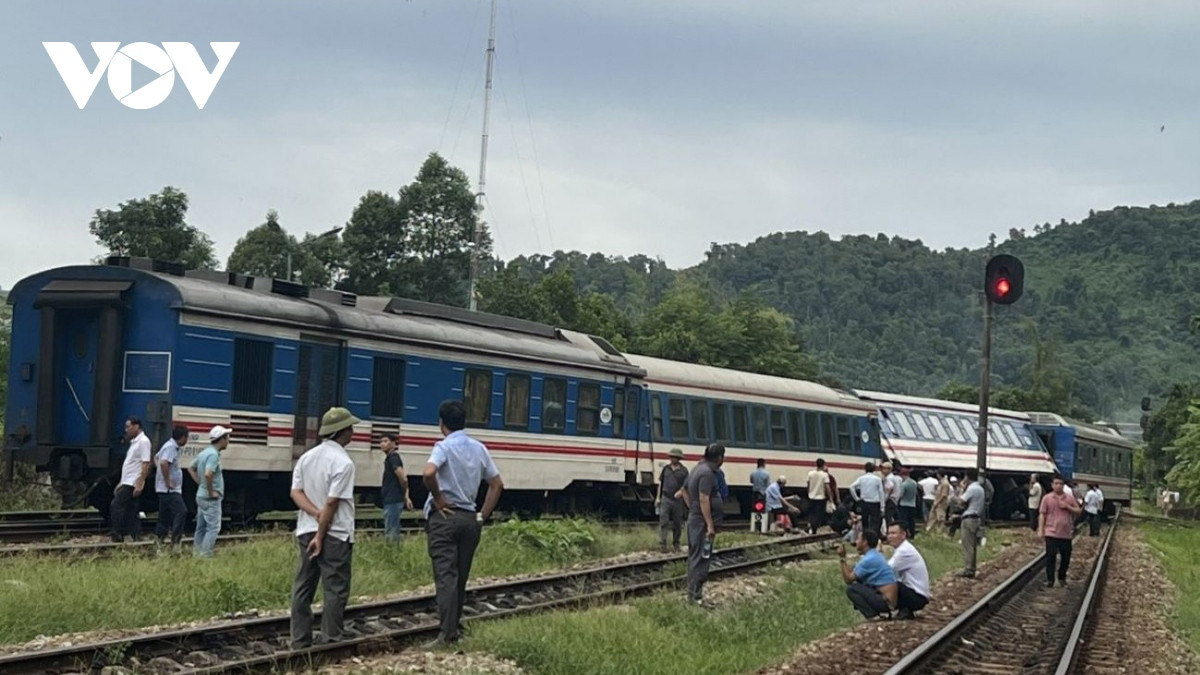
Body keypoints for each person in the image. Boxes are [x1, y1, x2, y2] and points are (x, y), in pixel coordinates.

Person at [422, 400, 505, 646]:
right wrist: (482, 515)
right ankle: (454, 627)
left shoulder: (443, 447)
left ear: (441, 423)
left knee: (446, 576)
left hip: (446, 518)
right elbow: (497, 484)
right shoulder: (479, 448)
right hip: (470, 519)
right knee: (460, 577)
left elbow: (428, 473)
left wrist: (438, 498)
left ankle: (446, 634)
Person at [289, 407, 359, 648]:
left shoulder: (307, 458)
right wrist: (321, 529)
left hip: (305, 529)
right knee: (335, 588)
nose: (353, 432)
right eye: (350, 428)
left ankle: (299, 639)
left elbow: (295, 492)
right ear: (343, 432)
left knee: (303, 587)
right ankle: (331, 639)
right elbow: (332, 501)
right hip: (334, 534)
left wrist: (313, 514)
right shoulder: (344, 462)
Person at [680, 443, 725, 606]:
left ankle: (693, 596)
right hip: (702, 525)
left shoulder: (697, 468)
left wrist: (691, 508)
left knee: (696, 557)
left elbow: (683, 490)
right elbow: (704, 498)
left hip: (696, 520)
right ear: (720, 458)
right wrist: (710, 525)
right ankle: (695, 598)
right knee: (701, 559)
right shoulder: (707, 473)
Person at [188, 425, 230, 558]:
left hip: (201, 495)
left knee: (200, 528)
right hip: (210, 498)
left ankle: (197, 554)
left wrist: (200, 484)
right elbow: (208, 474)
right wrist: (210, 491)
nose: (228, 440)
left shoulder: (204, 452)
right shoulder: (213, 455)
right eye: (227, 437)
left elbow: (190, 467)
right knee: (213, 528)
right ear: (221, 439)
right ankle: (205, 555)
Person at [838, 529, 898, 621]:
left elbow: (848, 579)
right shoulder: (874, 555)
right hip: (889, 600)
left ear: (865, 542)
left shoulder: (869, 559)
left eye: (858, 539)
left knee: (852, 589)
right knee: (858, 583)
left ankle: (872, 616)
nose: (855, 542)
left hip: (886, 602)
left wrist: (842, 558)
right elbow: (853, 572)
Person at [111, 417, 152, 543]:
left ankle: (118, 534)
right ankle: (136, 535)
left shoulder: (144, 442)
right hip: (127, 481)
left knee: (116, 506)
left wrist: (140, 483)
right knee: (132, 510)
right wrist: (121, 482)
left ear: (137, 426)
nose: (126, 430)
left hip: (132, 482)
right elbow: (130, 465)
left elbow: (146, 463)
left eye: (128, 427)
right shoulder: (135, 442)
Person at [1039, 474, 1083, 588]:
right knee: (1050, 557)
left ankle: (1062, 577)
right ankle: (1050, 580)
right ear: (1052, 485)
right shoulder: (1047, 498)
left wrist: (1068, 507)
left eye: (1061, 484)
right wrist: (1041, 529)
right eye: (1056, 484)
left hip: (1066, 534)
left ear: (1064, 486)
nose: (1058, 486)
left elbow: (1078, 511)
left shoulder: (1069, 498)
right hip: (1051, 532)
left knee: (1065, 557)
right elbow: (1042, 514)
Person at [153, 426, 189, 554]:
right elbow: (163, 463)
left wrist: (160, 475)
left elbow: (156, 458)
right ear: (183, 437)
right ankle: (176, 542)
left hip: (164, 489)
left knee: (164, 517)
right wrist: (167, 480)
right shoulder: (171, 447)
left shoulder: (168, 446)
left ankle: (159, 545)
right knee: (181, 511)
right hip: (169, 490)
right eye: (187, 437)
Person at [886, 523, 930, 619]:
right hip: (916, 594)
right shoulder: (902, 548)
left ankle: (897, 609)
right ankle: (904, 609)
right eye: (888, 533)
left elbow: (886, 570)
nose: (890, 536)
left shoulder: (904, 551)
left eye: (893, 533)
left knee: (886, 583)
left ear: (903, 535)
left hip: (917, 596)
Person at [379, 433, 414, 544]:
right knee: (392, 527)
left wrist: (405, 496)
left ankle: (392, 553)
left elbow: (403, 478)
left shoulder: (393, 458)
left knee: (391, 530)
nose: (382, 444)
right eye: (381, 442)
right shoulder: (390, 458)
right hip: (391, 498)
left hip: (393, 499)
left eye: (385, 441)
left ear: (393, 443)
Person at [657, 448, 689, 552]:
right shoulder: (666, 469)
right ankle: (663, 544)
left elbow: (686, 485)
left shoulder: (684, 471)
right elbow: (660, 483)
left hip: (677, 500)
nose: (672, 459)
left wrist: (681, 492)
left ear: (678, 458)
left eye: (674, 457)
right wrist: (658, 497)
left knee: (677, 523)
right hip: (666, 497)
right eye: (671, 457)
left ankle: (676, 544)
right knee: (663, 522)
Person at [957, 468, 986, 578]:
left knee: (967, 544)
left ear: (967, 476)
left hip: (969, 518)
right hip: (976, 518)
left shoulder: (972, 488)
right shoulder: (980, 488)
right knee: (973, 545)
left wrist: (962, 489)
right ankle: (972, 568)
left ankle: (968, 569)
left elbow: (961, 501)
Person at [849, 462, 884, 537]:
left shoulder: (861, 478)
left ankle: (865, 536)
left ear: (865, 469)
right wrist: (882, 507)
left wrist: (857, 498)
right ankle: (873, 536)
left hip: (864, 502)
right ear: (874, 469)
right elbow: (881, 493)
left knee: (865, 520)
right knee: (875, 521)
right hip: (875, 502)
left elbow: (851, 487)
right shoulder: (877, 479)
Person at [805, 459, 836, 534]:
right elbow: (827, 487)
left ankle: (811, 528)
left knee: (812, 514)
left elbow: (808, 485)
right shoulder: (824, 475)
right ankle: (816, 529)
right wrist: (831, 499)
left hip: (811, 497)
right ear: (823, 465)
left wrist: (809, 493)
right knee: (819, 515)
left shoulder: (810, 474)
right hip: (820, 498)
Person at [897, 468, 919, 539]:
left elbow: (900, 495)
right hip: (912, 504)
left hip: (904, 504)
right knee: (911, 520)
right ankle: (912, 534)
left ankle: (905, 534)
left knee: (904, 520)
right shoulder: (914, 483)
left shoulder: (904, 484)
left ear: (903, 475)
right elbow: (916, 493)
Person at [881, 462, 902, 530]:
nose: (882, 470)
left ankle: (889, 533)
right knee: (896, 517)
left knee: (888, 518)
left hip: (890, 500)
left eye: (884, 468)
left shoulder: (889, 478)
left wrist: (884, 500)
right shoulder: (894, 478)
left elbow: (889, 489)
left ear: (889, 469)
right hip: (894, 500)